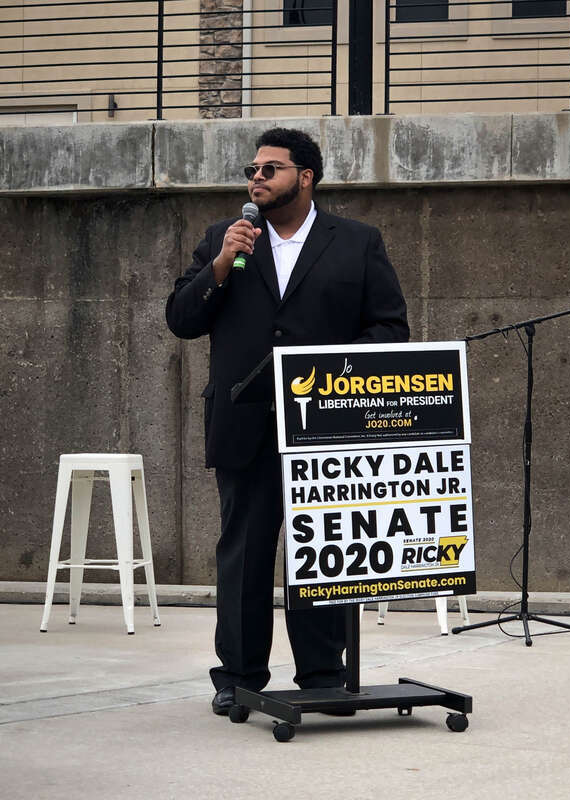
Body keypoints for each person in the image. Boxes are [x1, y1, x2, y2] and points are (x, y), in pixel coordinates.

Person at [165, 127, 409, 716]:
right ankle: (239, 675)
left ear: (305, 177)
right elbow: (180, 319)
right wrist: (221, 266)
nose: (256, 178)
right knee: (244, 553)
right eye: (252, 169)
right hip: (244, 424)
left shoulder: (356, 242)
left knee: (322, 551)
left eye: (270, 169)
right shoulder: (225, 239)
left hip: (324, 430)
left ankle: (324, 673)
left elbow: (390, 329)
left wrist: (330, 373)